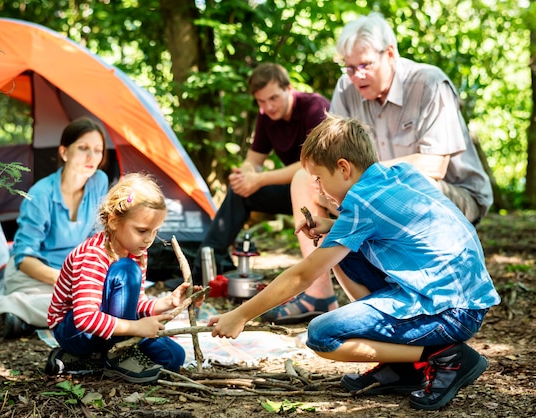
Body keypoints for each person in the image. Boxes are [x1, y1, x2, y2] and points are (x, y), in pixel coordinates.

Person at [209, 114, 500, 410]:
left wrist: (242, 314)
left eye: (319, 179)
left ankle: (445, 356)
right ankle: (399, 365)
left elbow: (303, 276)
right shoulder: (398, 173)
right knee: (344, 251)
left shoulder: (362, 203)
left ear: (344, 168)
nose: (319, 189)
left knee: (322, 336)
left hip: (450, 313)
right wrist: (329, 226)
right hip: (463, 297)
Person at [274, 12, 495, 325]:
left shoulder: (429, 84)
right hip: (373, 194)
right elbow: (331, 157)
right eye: (349, 67)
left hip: (450, 192)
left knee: (412, 191)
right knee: (304, 179)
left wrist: (367, 179)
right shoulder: (346, 88)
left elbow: (436, 164)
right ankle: (319, 292)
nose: (356, 75)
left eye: (365, 65)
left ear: (390, 53)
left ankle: (410, 314)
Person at [193, 62, 338, 324]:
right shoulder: (266, 117)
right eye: (262, 101)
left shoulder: (314, 107)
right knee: (240, 193)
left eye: (273, 98)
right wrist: (245, 175)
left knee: (293, 178)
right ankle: (207, 268)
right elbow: (254, 159)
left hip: (325, 188)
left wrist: (258, 179)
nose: (269, 107)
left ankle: (318, 292)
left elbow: (311, 163)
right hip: (293, 189)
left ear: (288, 89)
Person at [45, 172, 204, 383]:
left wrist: (170, 302)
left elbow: (134, 305)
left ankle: (87, 359)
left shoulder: (137, 252)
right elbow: (85, 319)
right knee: (126, 269)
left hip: (114, 328)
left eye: (155, 231)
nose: (149, 239)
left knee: (173, 357)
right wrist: (137, 328)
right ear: (113, 221)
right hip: (74, 331)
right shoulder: (93, 255)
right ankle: (111, 354)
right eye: (141, 230)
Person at [0, 117, 109, 338]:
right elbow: (24, 258)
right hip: (32, 273)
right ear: (64, 152)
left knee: (99, 301)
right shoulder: (40, 194)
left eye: (98, 150)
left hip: (70, 274)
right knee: (87, 307)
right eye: (83, 148)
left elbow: (99, 237)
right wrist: (69, 281)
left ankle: (14, 311)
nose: (91, 157)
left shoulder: (99, 181)